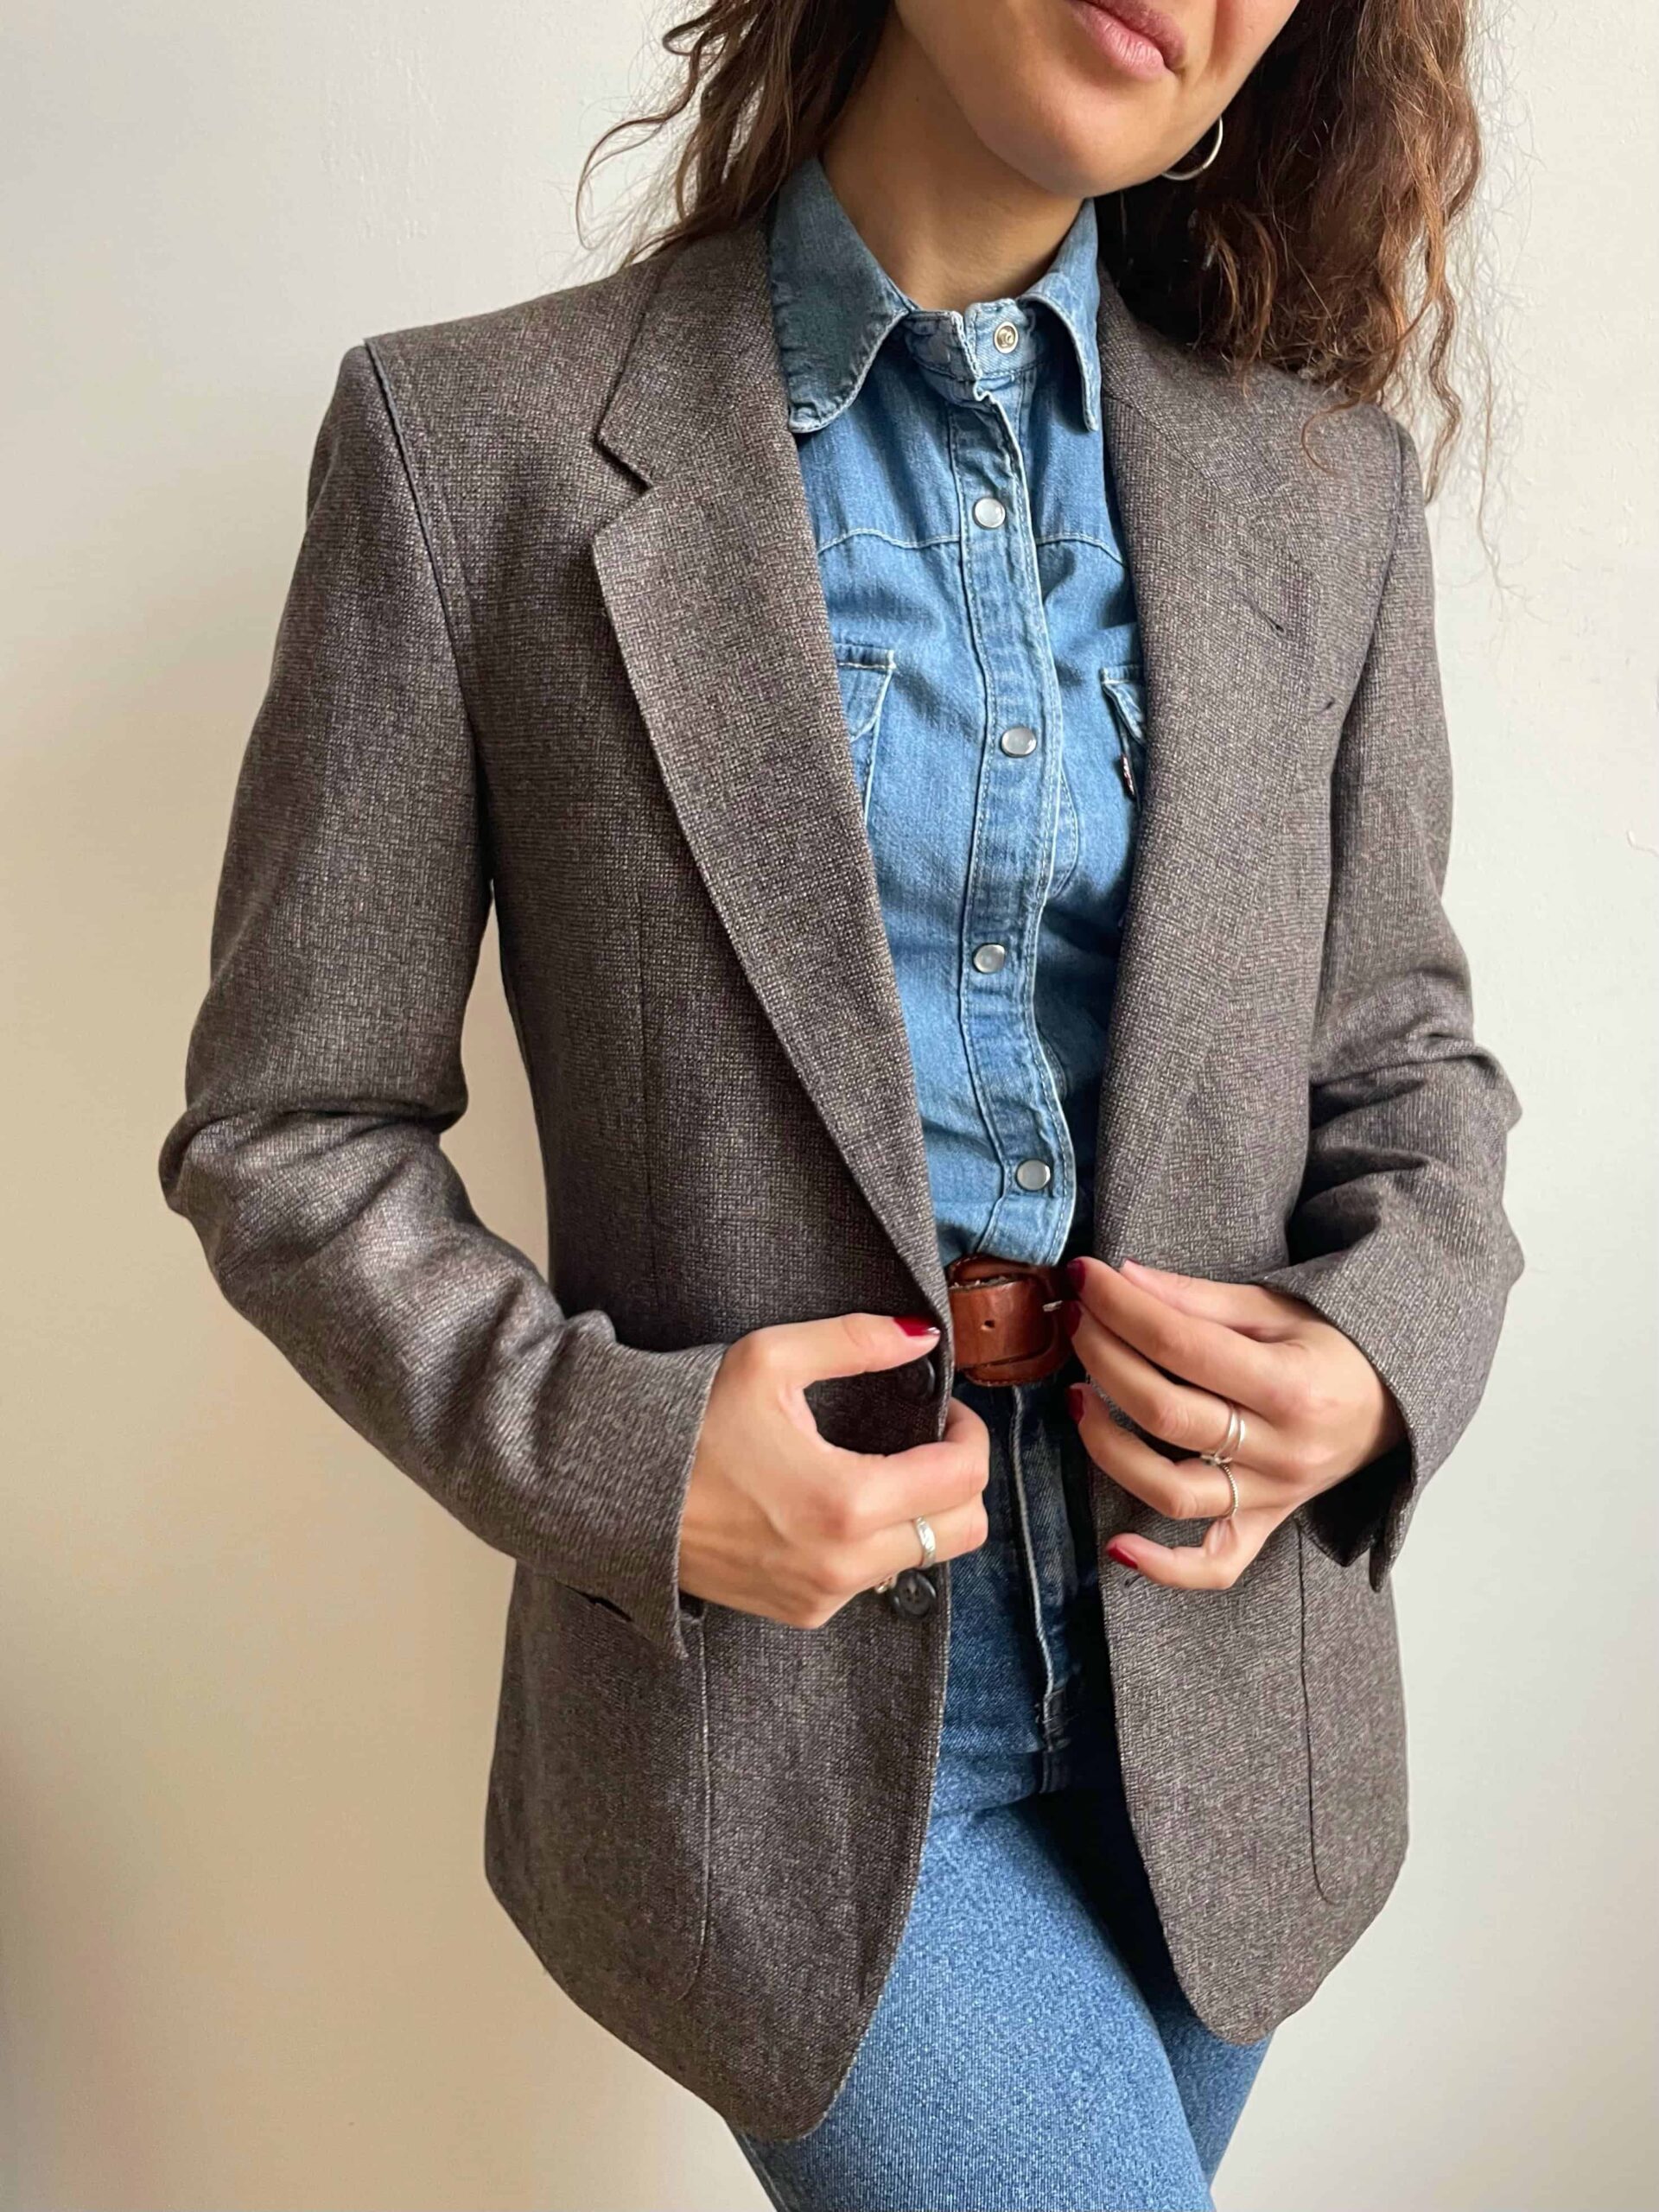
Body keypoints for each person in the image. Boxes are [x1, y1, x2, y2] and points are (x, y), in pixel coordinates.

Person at [158, 2, 1524, 2206]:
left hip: (1235, 1704)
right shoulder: (470, 447)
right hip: (765, 1726)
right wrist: (625, 1453)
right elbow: (288, 1128)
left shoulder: (1321, 492)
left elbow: (1408, 1070)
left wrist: (1373, 1368)